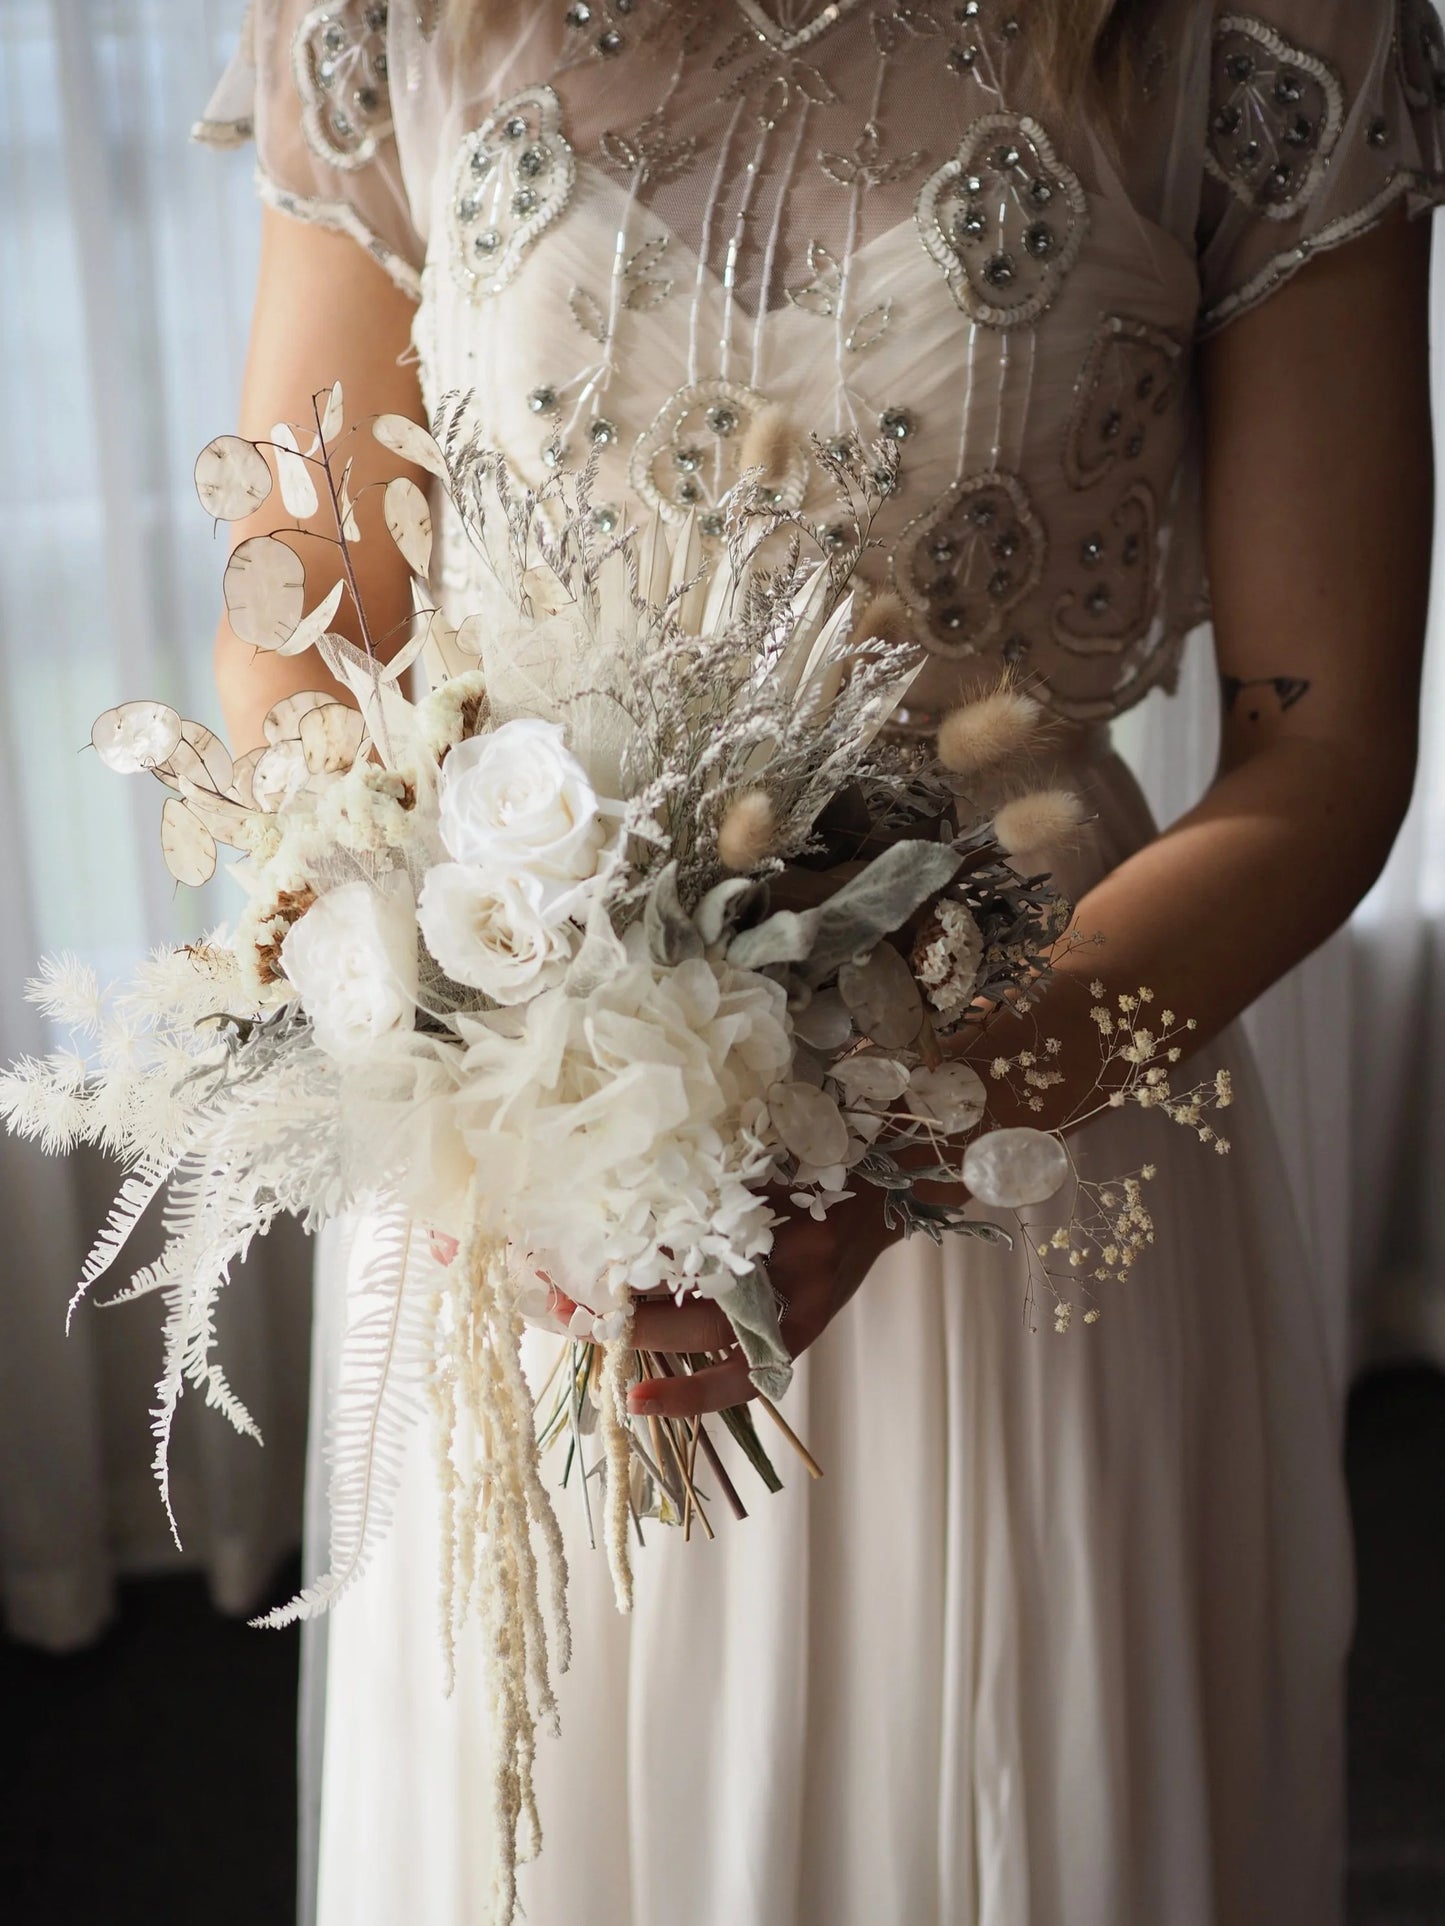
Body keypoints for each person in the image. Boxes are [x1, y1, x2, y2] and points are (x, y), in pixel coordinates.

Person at [198, 2, 1443, 1920]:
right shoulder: (385, 17)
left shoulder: (1259, 32)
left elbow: (1330, 744)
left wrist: (908, 1136)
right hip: (529, 1145)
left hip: (1032, 1140)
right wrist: (466, 1048)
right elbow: (307, 626)